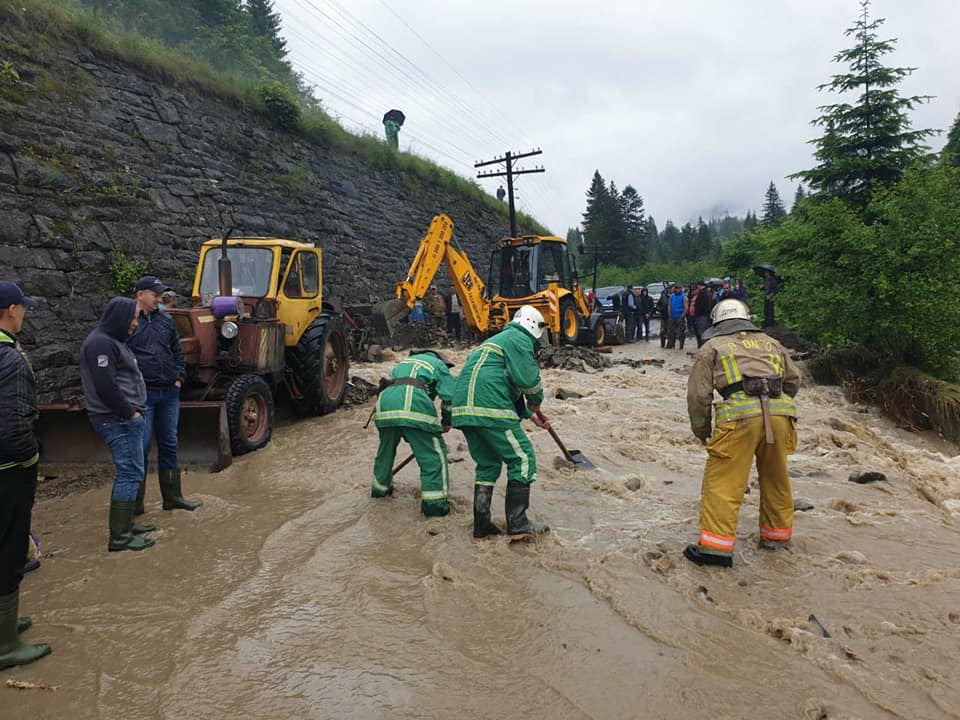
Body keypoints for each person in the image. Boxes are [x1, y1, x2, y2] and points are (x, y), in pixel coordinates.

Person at [684, 299, 801, 568]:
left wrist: (702, 430)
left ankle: (715, 549)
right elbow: (793, 381)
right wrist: (777, 407)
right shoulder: (772, 343)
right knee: (776, 477)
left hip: (738, 418)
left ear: (717, 323)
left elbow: (698, 395)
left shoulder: (712, 347)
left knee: (724, 482)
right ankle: (777, 538)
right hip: (781, 414)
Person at [452, 305, 551, 540]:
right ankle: (518, 527)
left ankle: (482, 525)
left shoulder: (496, 340)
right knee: (523, 458)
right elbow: (527, 379)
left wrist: (530, 414)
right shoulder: (519, 338)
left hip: (465, 408)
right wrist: (536, 401)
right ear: (533, 327)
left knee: (487, 464)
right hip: (490, 406)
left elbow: (504, 381)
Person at [0, 281, 51, 669]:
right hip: (8, 471)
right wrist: (32, 459)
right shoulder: (11, 359)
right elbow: (14, 425)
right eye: (23, 308)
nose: (25, 314)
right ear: (11, 311)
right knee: (9, 550)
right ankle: (5, 646)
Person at [81, 297, 155, 552]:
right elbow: (105, 385)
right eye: (133, 318)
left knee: (133, 470)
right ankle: (120, 537)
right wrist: (130, 414)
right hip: (116, 419)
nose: (135, 323)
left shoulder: (113, 341)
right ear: (120, 318)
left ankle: (128, 525)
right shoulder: (100, 343)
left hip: (123, 417)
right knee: (128, 472)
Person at [128, 276, 201, 516]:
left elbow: (177, 350)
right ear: (140, 294)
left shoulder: (166, 320)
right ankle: (136, 507)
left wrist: (179, 377)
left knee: (169, 443)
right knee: (142, 447)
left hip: (170, 392)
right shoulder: (128, 322)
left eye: (160, 295)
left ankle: (173, 497)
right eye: (155, 294)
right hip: (144, 394)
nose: (159, 299)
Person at [371, 349, 457, 517]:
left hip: (384, 407)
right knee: (434, 456)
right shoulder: (438, 365)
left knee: (385, 452)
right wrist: (447, 421)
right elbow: (450, 398)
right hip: (412, 405)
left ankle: (379, 492)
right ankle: (435, 506)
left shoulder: (402, 364)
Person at [665, 284, 688, 349]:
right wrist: (669, 314)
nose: (677, 290)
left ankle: (681, 346)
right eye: (676, 288)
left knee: (681, 332)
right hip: (672, 316)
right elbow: (669, 305)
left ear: (681, 289)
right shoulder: (672, 296)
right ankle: (671, 345)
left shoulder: (684, 297)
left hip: (680, 316)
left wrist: (682, 316)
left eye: (678, 288)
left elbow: (686, 308)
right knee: (670, 332)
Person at [691, 280, 713, 348]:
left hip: (702, 316)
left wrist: (696, 314)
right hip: (706, 315)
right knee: (704, 332)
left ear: (700, 286)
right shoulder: (708, 293)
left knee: (701, 332)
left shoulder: (702, 293)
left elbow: (700, 305)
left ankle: (703, 348)